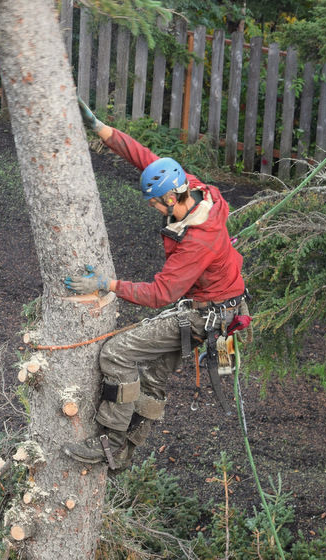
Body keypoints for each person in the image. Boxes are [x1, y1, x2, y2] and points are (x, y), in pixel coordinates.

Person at [62, 98, 249, 472]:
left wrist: (108, 283)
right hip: (223, 306)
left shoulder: (197, 241)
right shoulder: (194, 188)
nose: (152, 208)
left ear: (170, 199)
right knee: (153, 377)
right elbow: (147, 159)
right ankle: (126, 453)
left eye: (154, 204)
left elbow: (160, 294)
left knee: (116, 355)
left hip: (206, 316)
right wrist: (102, 129)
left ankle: (109, 444)